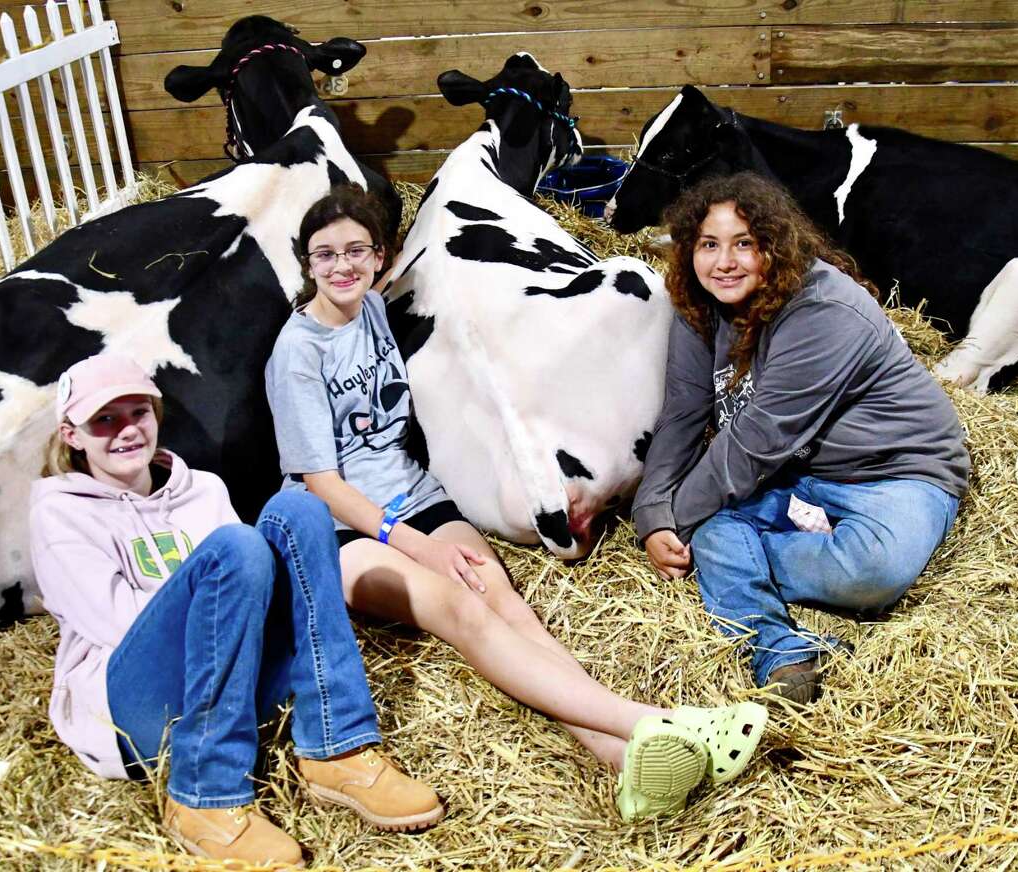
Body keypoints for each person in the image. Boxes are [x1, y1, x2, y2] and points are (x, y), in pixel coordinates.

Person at [264, 184, 767, 822]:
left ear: (380, 258)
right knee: (459, 609)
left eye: (357, 251)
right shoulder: (298, 352)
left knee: (504, 600)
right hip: (339, 530)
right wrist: (416, 546)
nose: (343, 266)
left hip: (417, 499)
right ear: (307, 264)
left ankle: (622, 757)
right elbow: (320, 483)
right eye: (326, 254)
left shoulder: (370, 312)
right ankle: (659, 724)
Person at [30, 352, 445, 865]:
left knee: (299, 509)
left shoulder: (202, 489)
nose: (126, 431)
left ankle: (338, 747)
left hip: (231, 682)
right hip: (135, 704)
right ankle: (204, 793)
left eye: (137, 413)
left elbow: (253, 594)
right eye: (104, 420)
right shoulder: (59, 511)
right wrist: (221, 588)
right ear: (73, 435)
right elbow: (118, 625)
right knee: (238, 548)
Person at [634, 172, 970, 703]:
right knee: (713, 526)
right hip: (796, 473)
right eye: (709, 245)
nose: (724, 262)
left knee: (873, 572)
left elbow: (756, 441)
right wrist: (653, 514)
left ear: (775, 244)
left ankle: (737, 570)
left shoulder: (822, 310)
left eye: (744, 243)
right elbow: (683, 412)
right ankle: (781, 651)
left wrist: (682, 525)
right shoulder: (699, 303)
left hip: (895, 471)